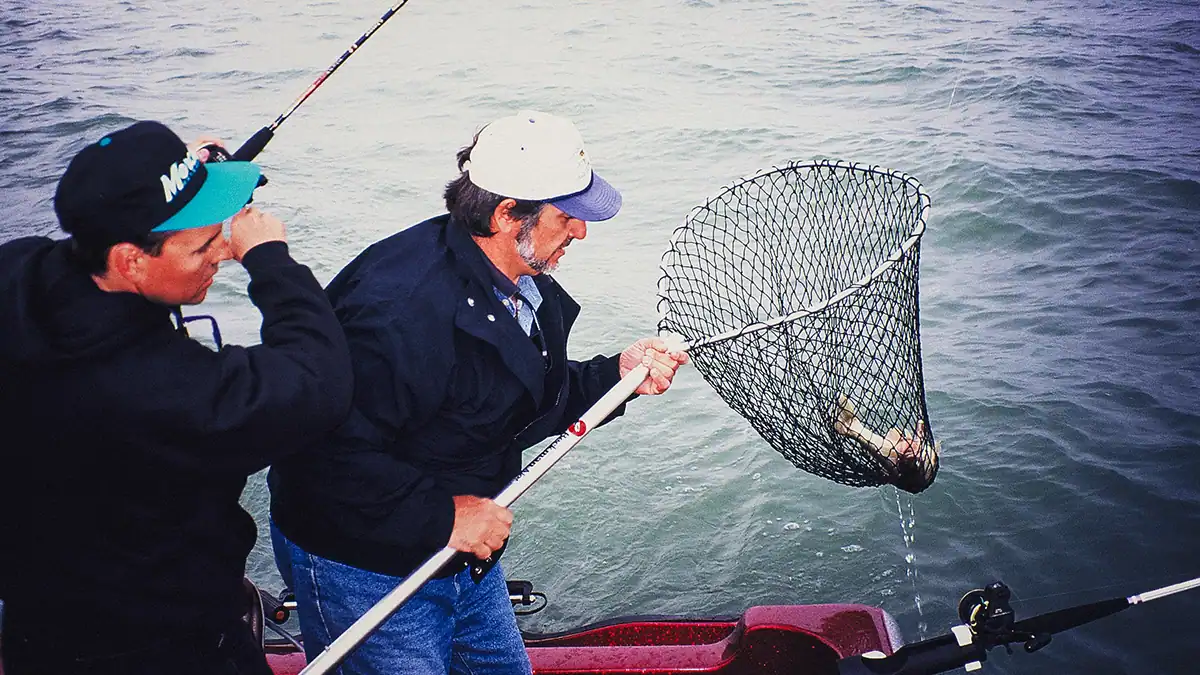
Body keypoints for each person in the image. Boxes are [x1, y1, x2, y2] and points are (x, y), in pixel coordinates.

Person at [268, 110, 689, 674]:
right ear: (506, 214)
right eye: (567, 217)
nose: (581, 232)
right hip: (367, 564)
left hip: (462, 550)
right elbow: (318, 454)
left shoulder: (519, 283)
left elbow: (514, 403)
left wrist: (618, 375)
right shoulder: (397, 311)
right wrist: (443, 515)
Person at [0, 121, 353, 675]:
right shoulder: (160, 390)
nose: (224, 251)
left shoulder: (20, 270)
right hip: (159, 645)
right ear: (130, 260)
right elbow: (318, 382)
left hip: (38, 621)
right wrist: (270, 260)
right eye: (204, 244)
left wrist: (173, 177)